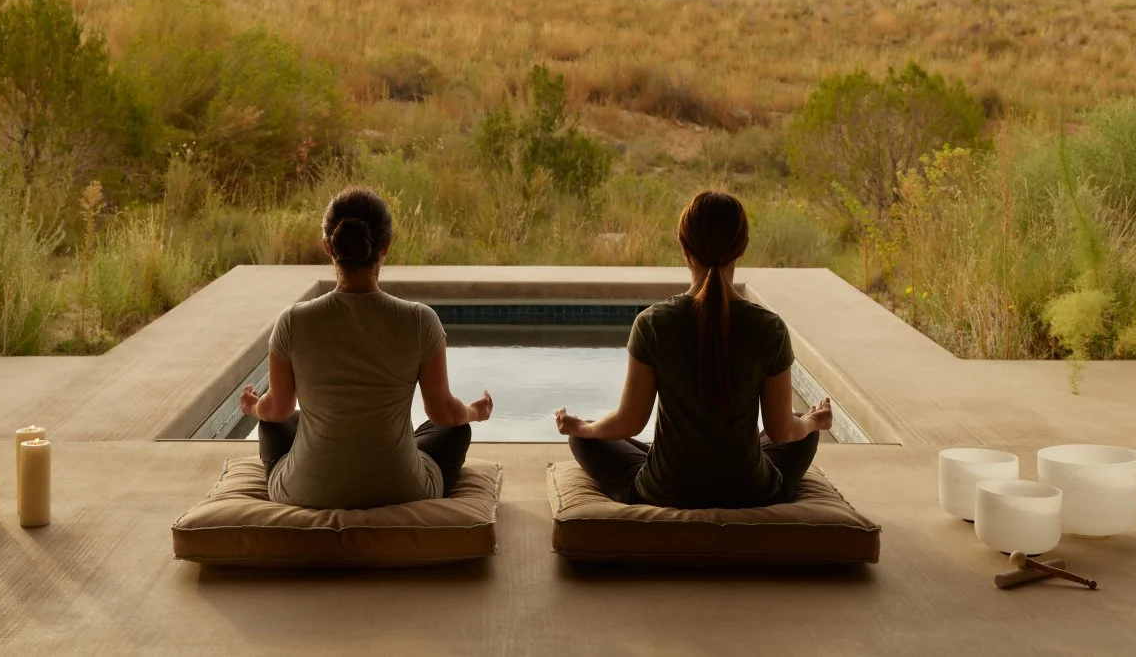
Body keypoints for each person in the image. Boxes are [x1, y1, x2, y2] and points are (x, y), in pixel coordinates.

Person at [555, 190, 832, 508]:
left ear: (684, 247)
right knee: (801, 426)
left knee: (584, 438)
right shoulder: (770, 328)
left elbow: (629, 423)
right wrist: (815, 422)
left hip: (666, 490)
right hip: (750, 492)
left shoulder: (654, 323)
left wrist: (584, 428)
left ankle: (668, 458)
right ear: (741, 248)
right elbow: (781, 432)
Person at [239, 187, 493, 509]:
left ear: (328, 247)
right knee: (455, 430)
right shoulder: (420, 320)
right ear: (385, 247)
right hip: (403, 488)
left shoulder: (292, 320)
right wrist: (475, 412)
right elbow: (442, 411)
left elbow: (278, 409)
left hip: (307, 491)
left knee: (274, 423)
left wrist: (253, 407)